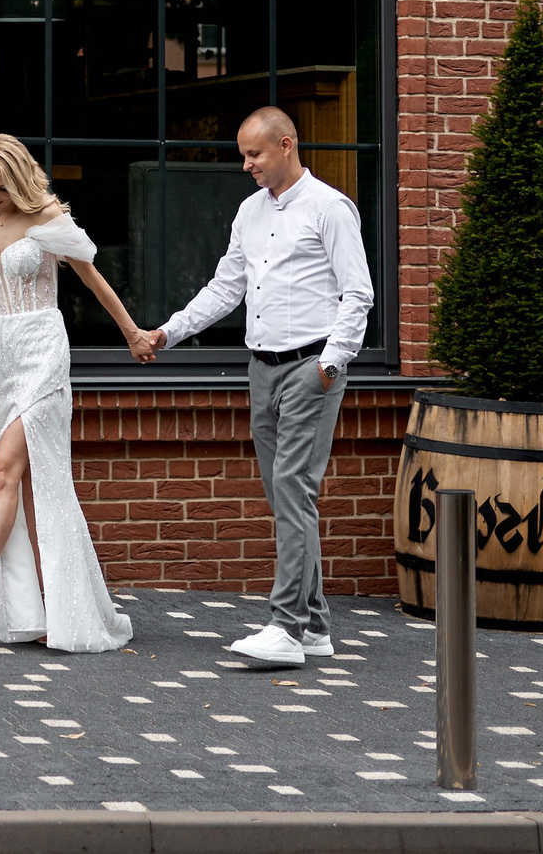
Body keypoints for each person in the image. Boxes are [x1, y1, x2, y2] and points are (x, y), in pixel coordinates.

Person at [138, 106, 374, 667]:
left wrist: (330, 367)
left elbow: (358, 295)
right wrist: (169, 332)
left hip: (309, 367)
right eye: (243, 154)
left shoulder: (330, 209)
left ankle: (285, 626)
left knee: (292, 490)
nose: (246, 165)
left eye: (254, 154)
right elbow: (226, 288)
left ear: (286, 145)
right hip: (260, 368)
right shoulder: (249, 211)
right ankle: (314, 624)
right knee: (286, 497)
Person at [0, 134, 156, 652]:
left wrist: (133, 333)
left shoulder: (46, 215)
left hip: (43, 351)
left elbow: (93, 280)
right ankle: (50, 607)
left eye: (0, 190)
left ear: (19, 181)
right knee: (29, 485)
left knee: (4, 471)